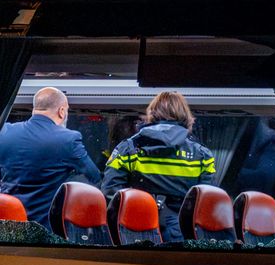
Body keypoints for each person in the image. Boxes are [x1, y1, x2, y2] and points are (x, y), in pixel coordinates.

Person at [102, 91, 216, 242]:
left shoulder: (127, 149)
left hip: (134, 233)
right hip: (181, 235)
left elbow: (110, 192)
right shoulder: (202, 156)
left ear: (152, 114)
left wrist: (136, 212)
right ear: (185, 116)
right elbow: (208, 203)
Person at [0, 87, 101, 230]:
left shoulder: (5, 132)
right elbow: (94, 176)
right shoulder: (67, 139)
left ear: (35, 108)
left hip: (7, 226)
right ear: (61, 111)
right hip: (45, 229)